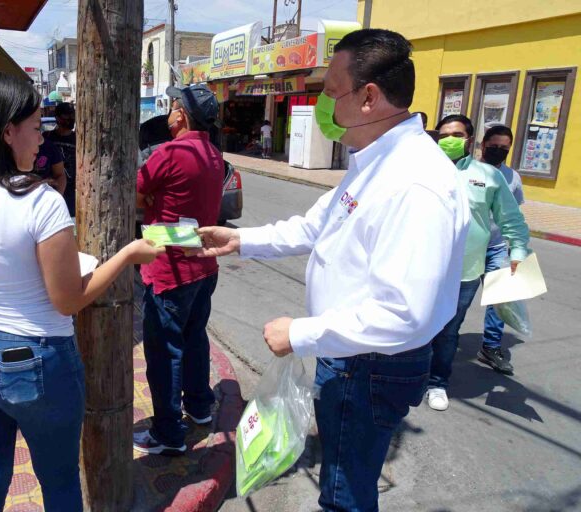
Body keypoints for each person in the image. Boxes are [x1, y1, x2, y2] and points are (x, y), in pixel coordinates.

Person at [192, 29, 469, 511]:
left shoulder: (413, 183)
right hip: (352, 353)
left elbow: (405, 313)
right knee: (343, 482)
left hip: (370, 365)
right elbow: (316, 225)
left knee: (345, 494)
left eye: (331, 90)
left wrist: (301, 333)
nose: (323, 103)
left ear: (368, 97)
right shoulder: (376, 162)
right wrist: (241, 239)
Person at [0, 71, 162, 510]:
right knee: (60, 482)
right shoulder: (39, 201)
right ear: (7, 132)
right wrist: (126, 256)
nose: (41, 141)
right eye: (35, 128)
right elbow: (66, 300)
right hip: (33, 363)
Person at [132, 83, 224, 456]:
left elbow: (135, 193)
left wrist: (153, 198)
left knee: (164, 352)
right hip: (204, 264)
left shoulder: (170, 153)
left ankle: (168, 434)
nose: (168, 113)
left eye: (171, 106)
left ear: (182, 115)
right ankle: (200, 408)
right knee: (194, 338)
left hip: (169, 270)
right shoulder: (214, 153)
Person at [428, 115, 530, 411]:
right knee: (416, 323)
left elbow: (512, 218)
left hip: (465, 271)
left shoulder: (488, 175)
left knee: (448, 329)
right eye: (444, 133)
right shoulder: (421, 171)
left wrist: (518, 251)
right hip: (423, 268)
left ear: (469, 140)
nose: (449, 139)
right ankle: (409, 377)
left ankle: (437, 382)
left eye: (457, 133)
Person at [478, 124, 525, 374]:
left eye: (503, 148)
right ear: (483, 145)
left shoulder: (512, 177)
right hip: (467, 250)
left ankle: (490, 346)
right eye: (494, 146)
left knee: (501, 299)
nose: (498, 151)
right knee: (455, 304)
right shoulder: (465, 170)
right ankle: (442, 347)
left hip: (497, 247)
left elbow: (514, 213)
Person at [43, 102, 77, 216]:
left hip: (73, 194)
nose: (70, 120)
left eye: (73, 116)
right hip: (50, 192)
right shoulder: (47, 137)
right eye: (67, 117)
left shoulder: (79, 139)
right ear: (58, 118)